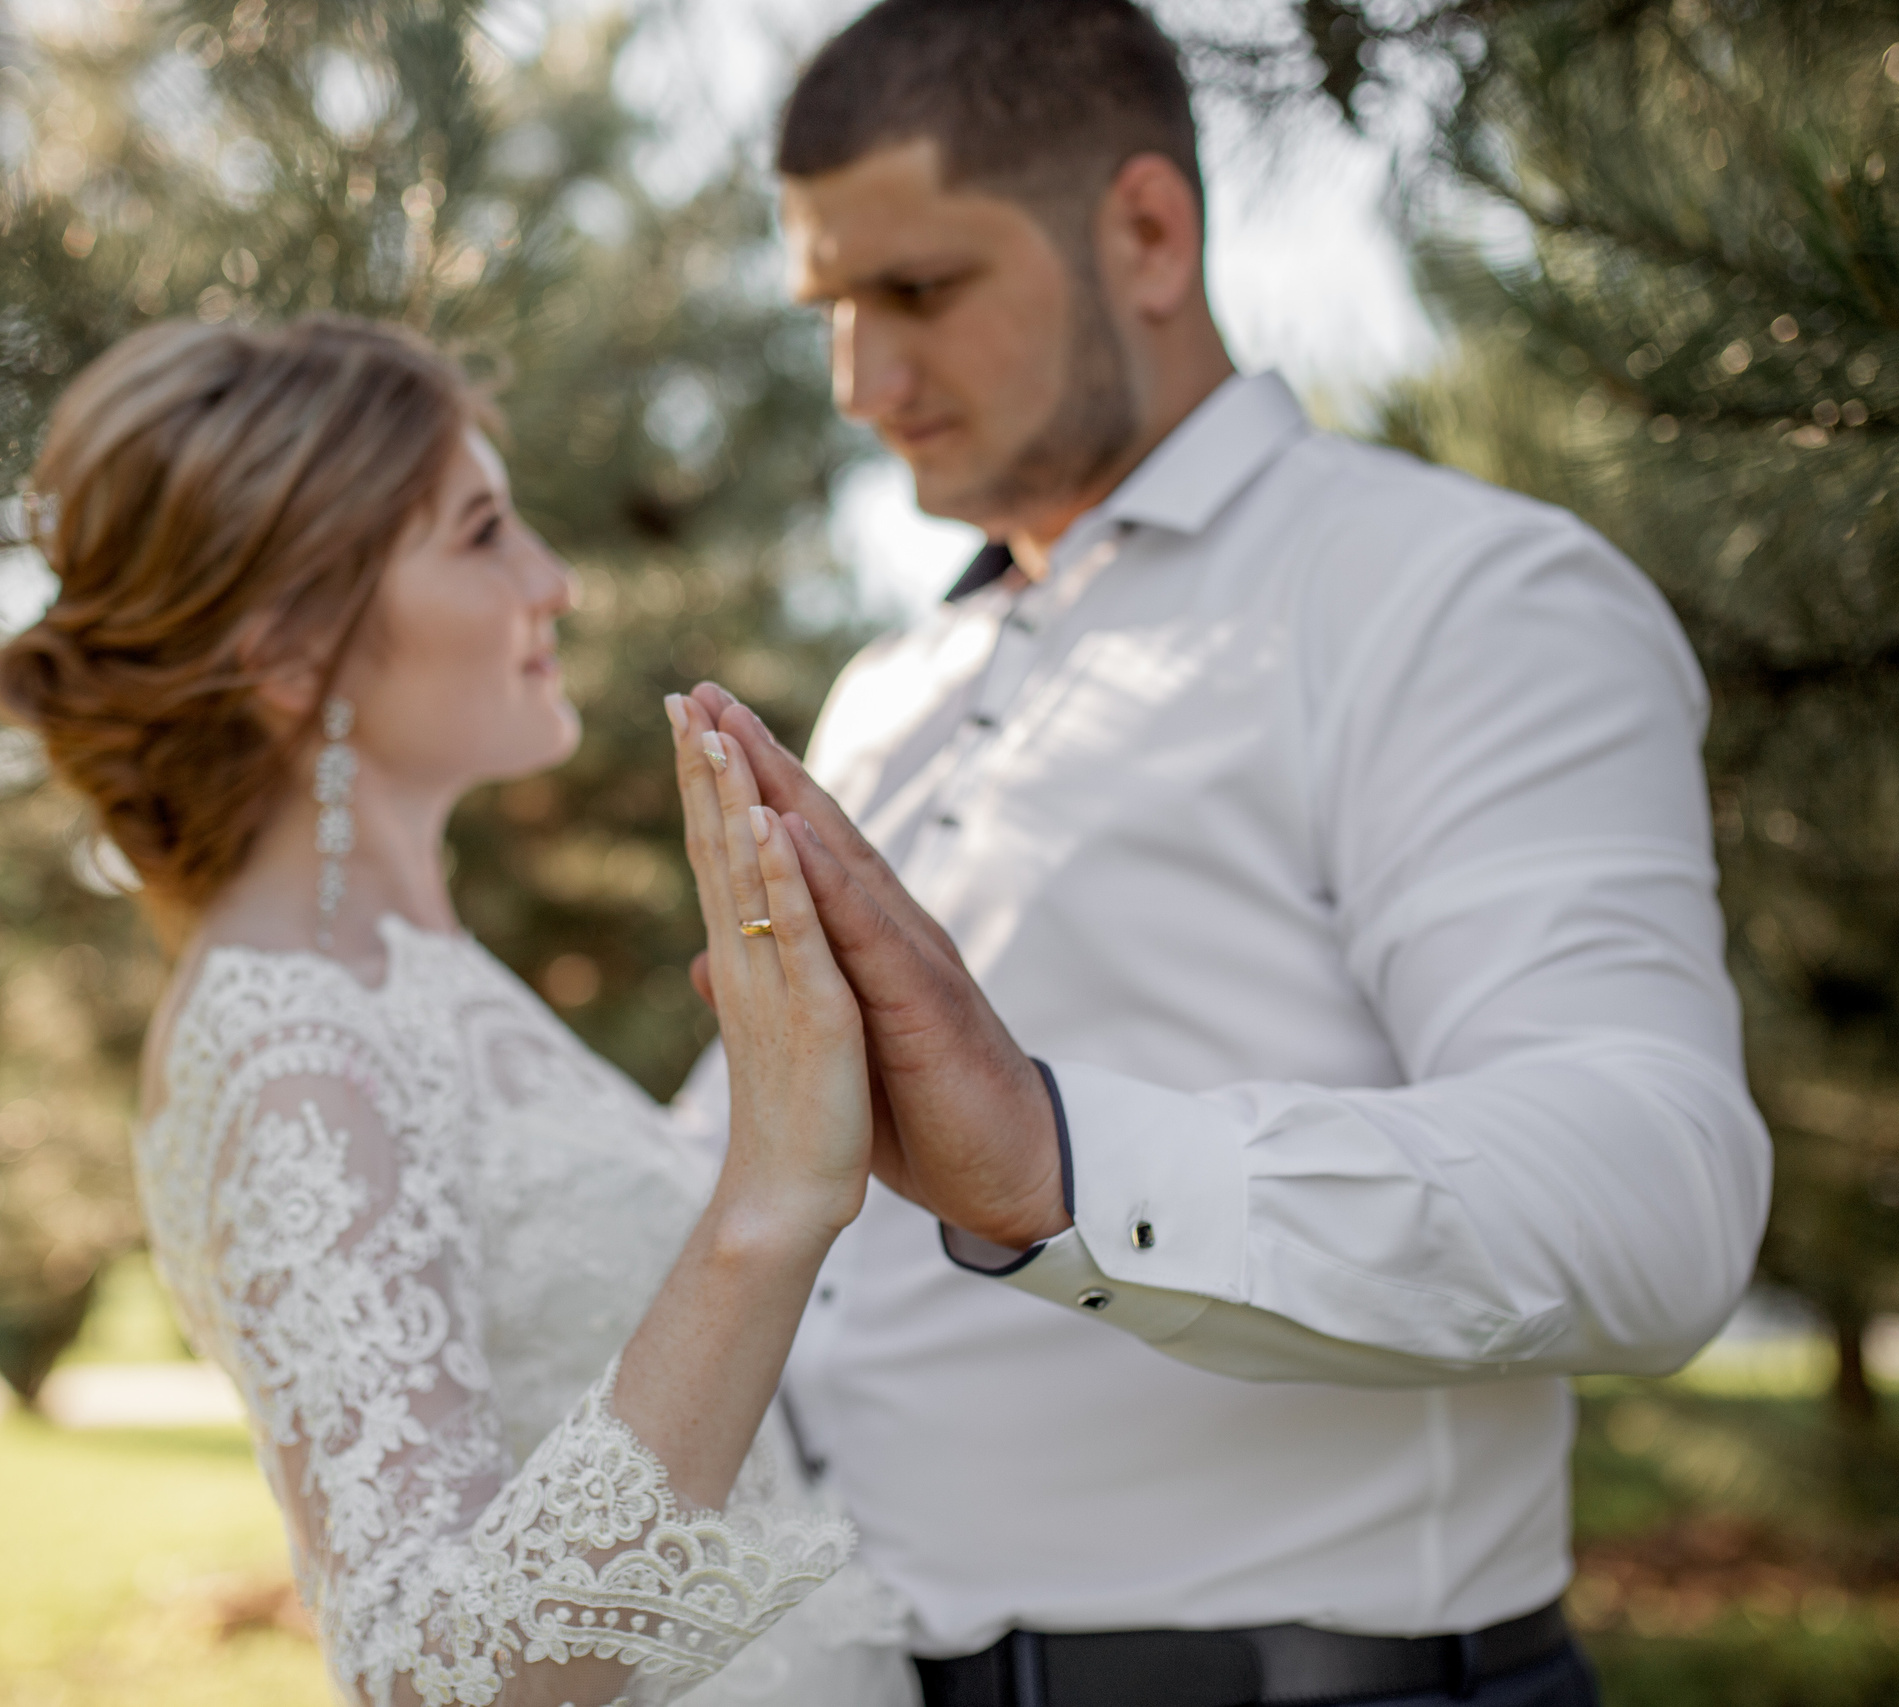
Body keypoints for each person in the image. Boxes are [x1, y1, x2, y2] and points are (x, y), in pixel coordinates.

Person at [675, 2, 1774, 1704]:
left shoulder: (1456, 595)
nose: (859, 384)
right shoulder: (892, 686)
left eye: (918, 293)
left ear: (1148, 231)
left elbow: (1657, 1191)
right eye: (830, 307)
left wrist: (1050, 1161)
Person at [0, 317, 919, 1707]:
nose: (551, 580)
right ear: (292, 647)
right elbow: (438, 1679)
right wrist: (773, 1188)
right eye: (483, 533)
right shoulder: (285, 1042)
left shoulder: (421, 978)